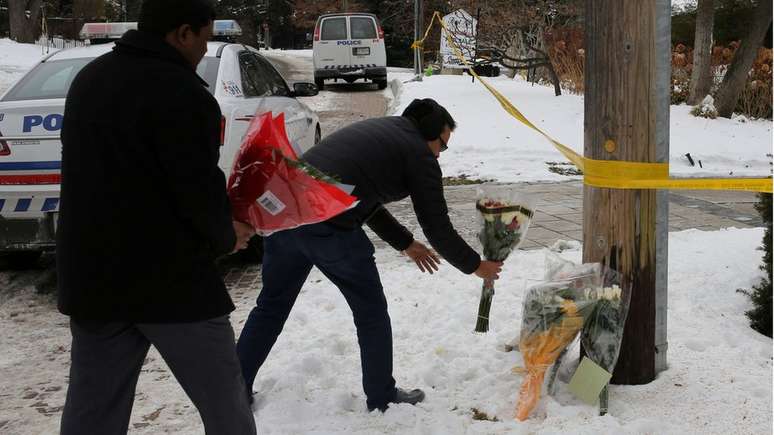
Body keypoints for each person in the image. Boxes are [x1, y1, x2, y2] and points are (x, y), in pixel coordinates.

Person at [56, 0, 256, 433]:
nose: (205, 50)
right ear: (182, 33)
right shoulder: (183, 93)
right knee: (225, 402)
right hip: (173, 284)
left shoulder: (89, 80)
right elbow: (196, 189)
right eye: (203, 39)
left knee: (93, 409)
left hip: (95, 280)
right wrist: (228, 234)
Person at [236, 98, 503, 412]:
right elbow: (437, 227)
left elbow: (363, 197)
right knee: (371, 311)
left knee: (270, 306)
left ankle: (233, 390)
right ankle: (381, 395)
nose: (439, 154)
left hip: (286, 216)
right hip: (327, 226)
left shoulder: (386, 133)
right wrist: (476, 266)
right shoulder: (419, 154)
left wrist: (405, 243)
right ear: (431, 136)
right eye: (443, 147)